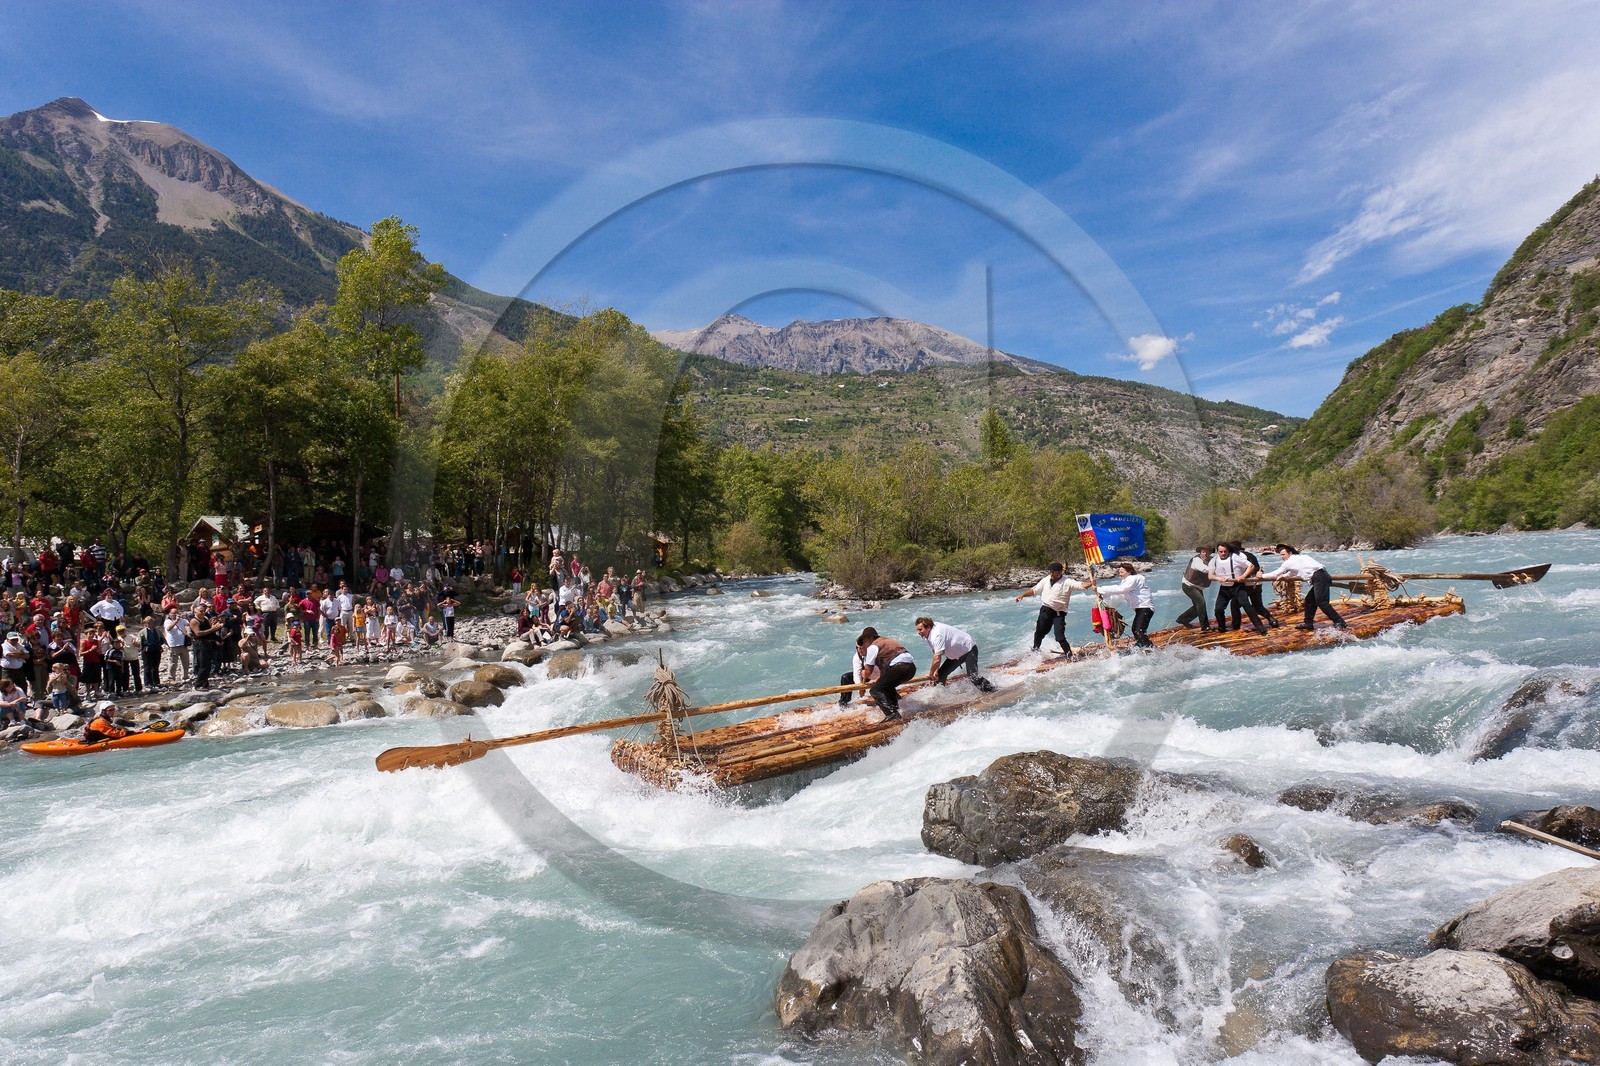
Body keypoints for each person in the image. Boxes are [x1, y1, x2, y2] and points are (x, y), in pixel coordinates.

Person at [1259, 544, 1348, 631]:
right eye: (1280, 555)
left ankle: (1339, 622)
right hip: (1322, 576)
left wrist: (1261, 576)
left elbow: (1276, 573)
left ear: (1290, 553)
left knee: (1322, 602)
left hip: (1319, 577)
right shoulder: (1302, 557)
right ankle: (1308, 623)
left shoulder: (1289, 562)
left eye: (1283, 555)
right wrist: (1285, 576)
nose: (1282, 557)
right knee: (1309, 600)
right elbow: (1295, 571)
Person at [1013, 562, 1088, 657]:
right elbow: (1035, 590)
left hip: (1058, 613)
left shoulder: (1067, 582)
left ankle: (1070, 656)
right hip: (1045, 610)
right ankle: (1035, 651)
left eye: (1054, 572)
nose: (1051, 574)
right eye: (1051, 571)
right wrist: (1022, 595)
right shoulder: (1046, 580)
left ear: (1060, 572)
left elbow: (1080, 585)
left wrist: (1091, 584)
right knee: (1039, 633)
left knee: (1059, 637)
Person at [914, 617, 996, 691]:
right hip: (956, 655)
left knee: (973, 677)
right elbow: (935, 652)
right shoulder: (927, 634)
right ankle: (939, 696)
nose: (918, 632)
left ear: (928, 628)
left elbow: (937, 658)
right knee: (940, 674)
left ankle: (993, 690)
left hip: (968, 649)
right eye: (917, 630)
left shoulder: (937, 635)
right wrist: (935, 672)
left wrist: (930, 674)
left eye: (920, 630)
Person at [855, 626, 916, 721]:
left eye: (863, 642)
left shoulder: (873, 646)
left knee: (875, 690)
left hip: (899, 667)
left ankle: (892, 714)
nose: (864, 645)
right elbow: (886, 668)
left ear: (869, 638)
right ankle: (895, 709)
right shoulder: (887, 640)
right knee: (887, 686)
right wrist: (878, 679)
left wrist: (864, 675)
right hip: (911, 669)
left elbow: (868, 670)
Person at [1209, 542, 1268, 633]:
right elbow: (1210, 576)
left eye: (1225, 551)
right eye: (1221, 552)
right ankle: (1222, 628)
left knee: (1245, 603)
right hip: (1224, 587)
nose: (1223, 553)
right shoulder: (1214, 560)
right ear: (1217, 551)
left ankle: (1260, 627)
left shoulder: (1235, 557)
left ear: (1228, 550)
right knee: (1218, 609)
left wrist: (1243, 576)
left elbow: (1251, 566)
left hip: (1238, 585)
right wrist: (1218, 578)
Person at [1099, 561, 1156, 649]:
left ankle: (1150, 649)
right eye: (1119, 572)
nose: (1120, 574)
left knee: (1138, 631)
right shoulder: (1125, 582)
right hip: (1140, 609)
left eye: (1122, 572)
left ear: (1129, 572)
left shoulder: (1134, 579)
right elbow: (1118, 596)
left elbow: (1122, 589)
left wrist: (1101, 589)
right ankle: (1142, 645)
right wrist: (1103, 596)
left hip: (1145, 607)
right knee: (1135, 629)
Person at [1232, 541, 1281, 629]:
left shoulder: (1238, 556)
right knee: (1258, 606)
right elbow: (1257, 569)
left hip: (1247, 584)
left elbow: (1252, 568)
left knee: (1235, 604)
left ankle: (1236, 626)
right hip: (1257, 583)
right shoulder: (1249, 555)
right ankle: (1271, 620)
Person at [1175, 545, 1213, 631]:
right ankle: (1205, 626)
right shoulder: (1196, 560)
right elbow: (1204, 569)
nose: (1205, 554)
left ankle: (1183, 619)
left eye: (1207, 552)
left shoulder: (1212, 560)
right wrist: (1215, 570)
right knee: (1201, 603)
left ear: (1210, 552)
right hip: (1189, 586)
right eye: (1203, 552)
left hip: (1198, 587)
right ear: (1200, 552)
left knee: (1199, 606)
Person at [163, 607, 191, 685]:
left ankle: (185, 677)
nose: (176, 614)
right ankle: (171, 678)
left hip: (183, 644)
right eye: (173, 613)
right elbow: (168, 628)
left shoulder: (183, 620)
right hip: (173, 645)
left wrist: (187, 617)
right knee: (173, 663)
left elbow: (189, 624)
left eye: (177, 612)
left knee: (185, 662)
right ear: (170, 614)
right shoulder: (167, 621)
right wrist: (176, 621)